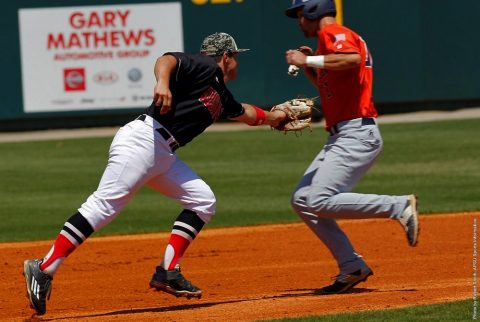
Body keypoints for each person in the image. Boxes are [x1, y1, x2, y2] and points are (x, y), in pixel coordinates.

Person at [23, 32, 288, 315]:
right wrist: (162, 83)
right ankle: (43, 268)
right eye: (236, 56)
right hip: (143, 141)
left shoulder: (220, 94)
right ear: (226, 57)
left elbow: (245, 113)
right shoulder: (205, 67)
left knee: (202, 200)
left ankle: (168, 272)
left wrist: (274, 117)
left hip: (162, 153)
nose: (237, 62)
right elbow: (167, 60)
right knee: (104, 206)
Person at [284, 0, 419, 294]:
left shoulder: (336, 33)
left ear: (312, 12)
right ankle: (351, 266)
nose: (297, 21)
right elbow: (331, 82)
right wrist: (311, 65)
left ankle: (398, 206)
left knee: (317, 199)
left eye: (298, 14)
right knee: (302, 199)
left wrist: (307, 61)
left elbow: (352, 59)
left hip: (356, 133)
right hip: (342, 135)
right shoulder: (326, 44)